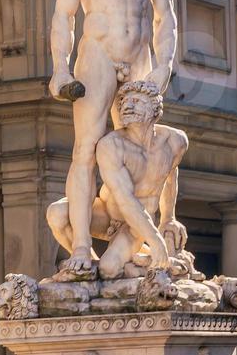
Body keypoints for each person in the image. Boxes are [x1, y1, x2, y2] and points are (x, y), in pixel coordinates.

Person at [46, 0, 178, 276]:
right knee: (85, 149)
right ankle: (83, 247)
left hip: (139, 56)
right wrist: (59, 70)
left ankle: (140, 232)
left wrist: (163, 71)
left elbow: (166, 20)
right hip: (98, 55)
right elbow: (64, 16)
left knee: (146, 145)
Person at [46, 81, 188, 279]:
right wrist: (155, 240)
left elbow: (169, 174)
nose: (128, 106)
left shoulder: (175, 141)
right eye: (124, 102)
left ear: (155, 109)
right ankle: (89, 267)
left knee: (110, 268)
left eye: (136, 101)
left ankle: (146, 261)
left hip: (135, 224)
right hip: (106, 213)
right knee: (56, 213)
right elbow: (124, 198)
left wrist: (168, 218)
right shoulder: (111, 145)